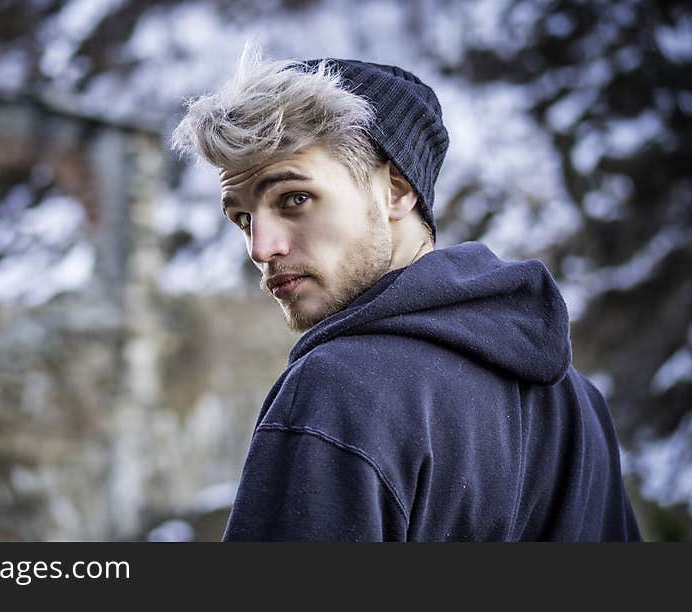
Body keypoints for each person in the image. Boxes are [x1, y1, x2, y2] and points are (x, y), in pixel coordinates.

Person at [171, 47, 641, 541]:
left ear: (395, 191)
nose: (261, 248)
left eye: (294, 199)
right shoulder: (577, 399)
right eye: (243, 218)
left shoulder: (337, 390)